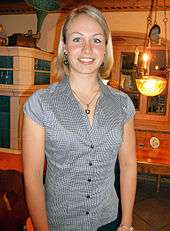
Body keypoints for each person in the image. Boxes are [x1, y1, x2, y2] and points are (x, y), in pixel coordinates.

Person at [22, 5, 137, 231]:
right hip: (59, 223)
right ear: (64, 48)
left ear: (105, 48)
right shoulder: (40, 104)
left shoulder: (123, 103)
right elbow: (33, 176)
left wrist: (126, 223)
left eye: (96, 40)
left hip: (109, 219)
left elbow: (128, 164)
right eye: (77, 39)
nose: (87, 49)